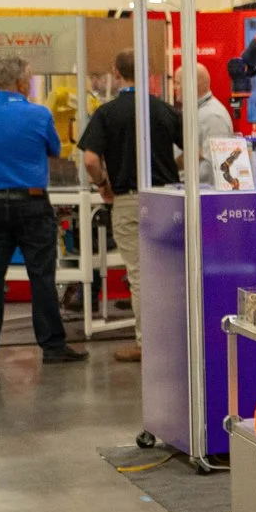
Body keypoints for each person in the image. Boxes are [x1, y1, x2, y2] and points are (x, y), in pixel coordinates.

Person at [0, 55, 82, 365]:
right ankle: (53, 346)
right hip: (31, 202)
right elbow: (55, 150)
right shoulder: (39, 114)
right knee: (41, 276)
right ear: (21, 83)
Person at [75, 51, 182, 362]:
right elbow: (196, 151)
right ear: (148, 72)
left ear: (116, 73)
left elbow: (91, 159)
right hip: (167, 199)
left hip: (128, 200)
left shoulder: (107, 113)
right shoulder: (164, 110)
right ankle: (176, 340)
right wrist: (169, 167)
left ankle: (147, 343)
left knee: (140, 275)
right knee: (170, 273)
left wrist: (102, 185)